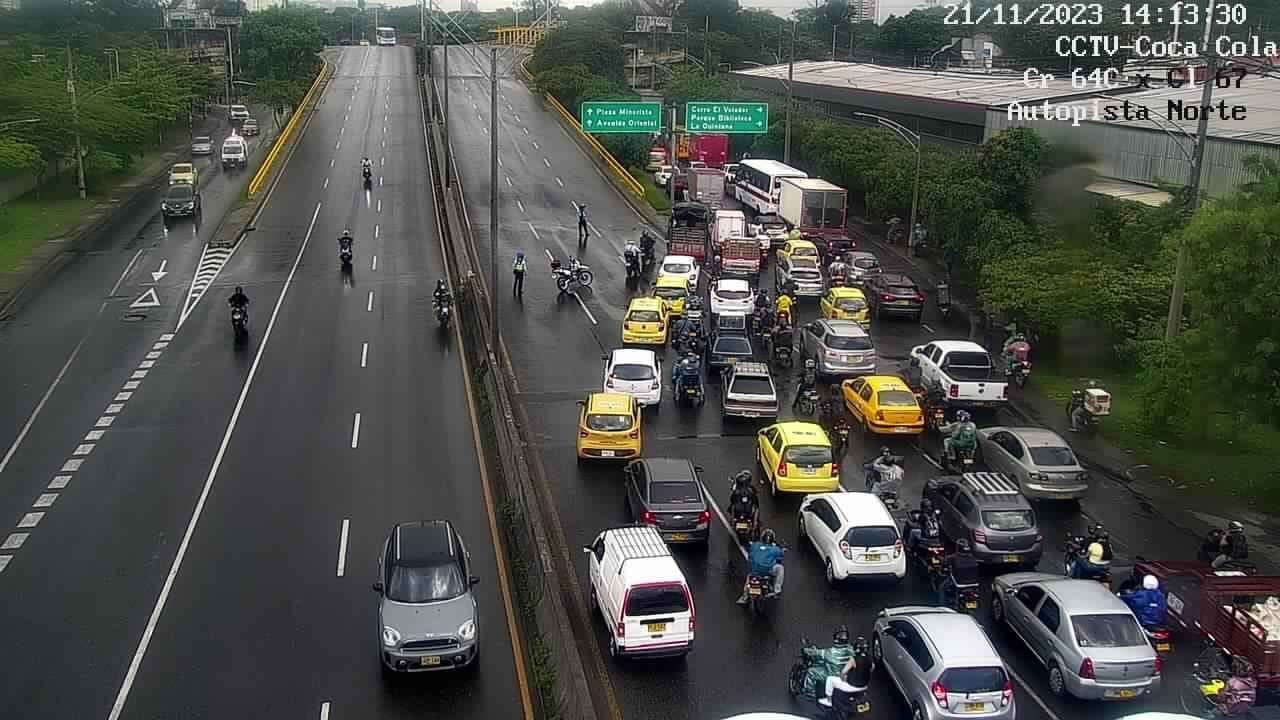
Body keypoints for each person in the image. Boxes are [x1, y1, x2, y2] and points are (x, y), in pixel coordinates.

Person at [800, 626, 855, 698]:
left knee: (811, 672)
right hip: (847, 677)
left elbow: (816, 653)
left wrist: (806, 650)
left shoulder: (829, 652)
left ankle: (810, 692)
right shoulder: (851, 649)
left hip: (833, 676)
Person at [821, 638, 871, 711]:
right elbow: (869, 671)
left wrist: (843, 678)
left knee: (830, 679)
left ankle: (829, 701)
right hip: (864, 686)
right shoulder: (870, 660)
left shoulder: (853, 659)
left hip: (852, 686)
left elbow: (843, 672)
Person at [737, 528, 785, 603]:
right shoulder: (775, 549)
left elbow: (750, 553)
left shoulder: (755, 545)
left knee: (749, 576)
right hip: (767, 570)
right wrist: (782, 549)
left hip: (754, 570)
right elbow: (781, 556)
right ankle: (777, 589)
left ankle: (744, 596)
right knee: (780, 568)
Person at [937, 538, 980, 604]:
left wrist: (939, 558)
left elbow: (944, 562)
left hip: (959, 583)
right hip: (974, 583)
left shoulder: (953, 557)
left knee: (942, 588)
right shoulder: (974, 557)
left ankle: (942, 606)